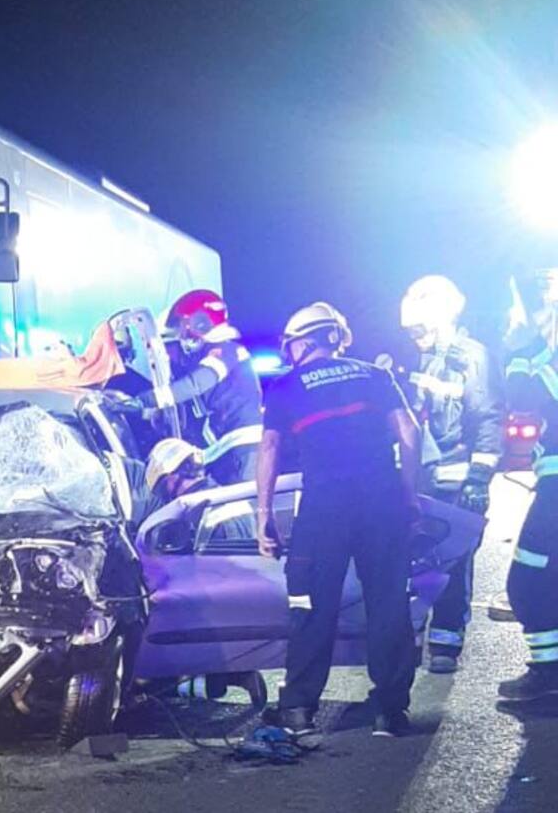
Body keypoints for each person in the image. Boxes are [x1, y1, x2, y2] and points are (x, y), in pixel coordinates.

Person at [256, 302, 422, 738]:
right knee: (388, 603)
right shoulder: (374, 375)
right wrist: (407, 494)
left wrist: (264, 514)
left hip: (325, 508)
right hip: (382, 503)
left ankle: (297, 710)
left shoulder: (285, 386)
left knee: (310, 606)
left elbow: (270, 449)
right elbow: (409, 432)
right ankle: (391, 710)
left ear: (303, 341)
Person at [399, 275, 505, 673]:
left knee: (453, 565)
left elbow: (490, 418)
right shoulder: (421, 358)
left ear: (440, 318)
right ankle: (415, 636)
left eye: (419, 329)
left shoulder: (474, 358)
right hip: (425, 480)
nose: (414, 338)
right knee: (416, 561)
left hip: (459, 481)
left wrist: (479, 477)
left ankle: (446, 644)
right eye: (410, 332)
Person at [498, 266, 558, 702]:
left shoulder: (542, 354)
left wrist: (524, 351)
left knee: (528, 580)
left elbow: (525, 398)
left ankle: (549, 672)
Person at [143, 289, 263, 485]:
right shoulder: (215, 354)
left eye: (184, 325)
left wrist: (146, 400)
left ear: (201, 322)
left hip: (243, 447)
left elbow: (196, 383)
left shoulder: (226, 350)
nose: (182, 335)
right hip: (227, 449)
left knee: (243, 508)